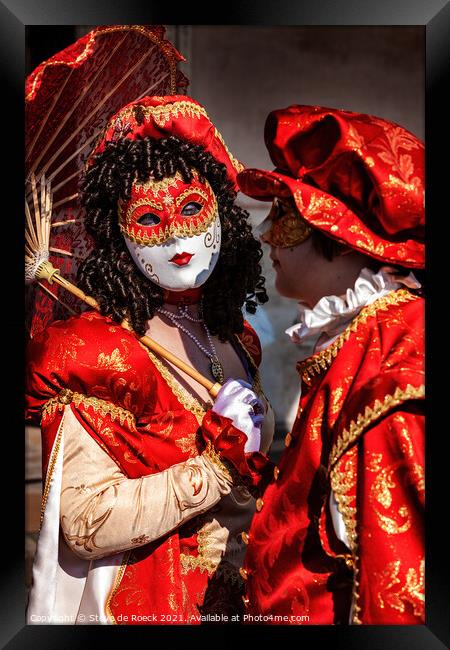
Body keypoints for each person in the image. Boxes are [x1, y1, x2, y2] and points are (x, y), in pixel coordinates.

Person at [25, 95, 274, 625]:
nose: (177, 237)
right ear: (119, 235)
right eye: (148, 218)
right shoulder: (95, 350)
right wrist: (214, 468)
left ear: (221, 213)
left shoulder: (238, 338)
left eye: (190, 209)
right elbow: (86, 521)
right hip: (152, 604)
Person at [236, 105, 424, 624]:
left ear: (342, 237)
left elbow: (398, 581)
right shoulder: (357, 338)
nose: (265, 234)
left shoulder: (396, 358)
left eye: (286, 216)